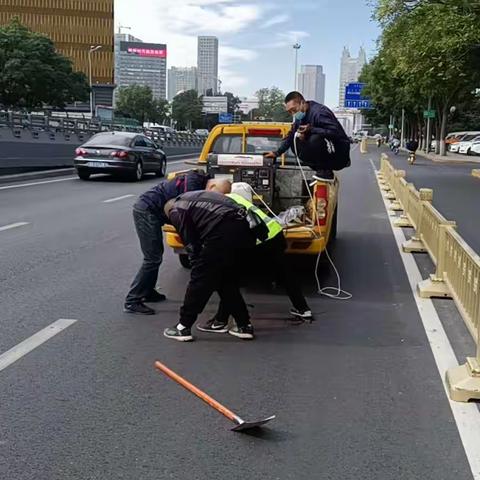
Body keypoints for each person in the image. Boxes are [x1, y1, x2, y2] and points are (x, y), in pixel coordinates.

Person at [196, 191, 313, 334]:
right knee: (284, 273)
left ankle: (220, 321)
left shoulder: (218, 204)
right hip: (275, 234)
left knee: (229, 279)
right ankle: (303, 309)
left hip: (257, 241)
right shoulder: (236, 197)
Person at [124, 171, 231, 315]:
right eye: (214, 195)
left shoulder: (198, 184)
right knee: (152, 258)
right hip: (147, 210)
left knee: (156, 256)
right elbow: (184, 221)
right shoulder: (191, 190)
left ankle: (147, 291)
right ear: (211, 186)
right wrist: (193, 248)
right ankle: (132, 300)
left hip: (155, 211)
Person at [163, 190, 256, 342]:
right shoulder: (193, 198)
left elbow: (191, 243)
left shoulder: (176, 209)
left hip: (221, 232)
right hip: (244, 230)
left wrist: (197, 264)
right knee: (226, 281)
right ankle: (244, 325)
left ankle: (183, 327)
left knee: (200, 280)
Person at [264, 91, 351, 182]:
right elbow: (291, 137)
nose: (293, 113)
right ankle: (320, 169)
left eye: (294, 109)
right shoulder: (300, 118)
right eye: (290, 112)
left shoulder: (319, 112)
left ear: (302, 103)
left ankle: (326, 171)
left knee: (315, 138)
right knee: (295, 142)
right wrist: (277, 153)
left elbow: (335, 132)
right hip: (325, 152)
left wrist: (312, 129)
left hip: (339, 153)